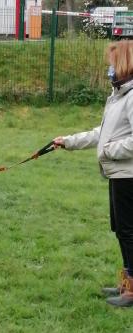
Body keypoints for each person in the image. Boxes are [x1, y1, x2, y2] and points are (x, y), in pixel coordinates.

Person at [53, 40, 133, 307]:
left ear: (124, 63)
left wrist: (110, 151)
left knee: (128, 231)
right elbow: (102, 133)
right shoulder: (118, 96)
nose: (109, 69)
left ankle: (132, 290)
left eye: (112, 63)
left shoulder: (132, 97)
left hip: (128, 175)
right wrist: (70, 141)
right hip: (118, 174)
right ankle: (127, 282)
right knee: (122, 230)